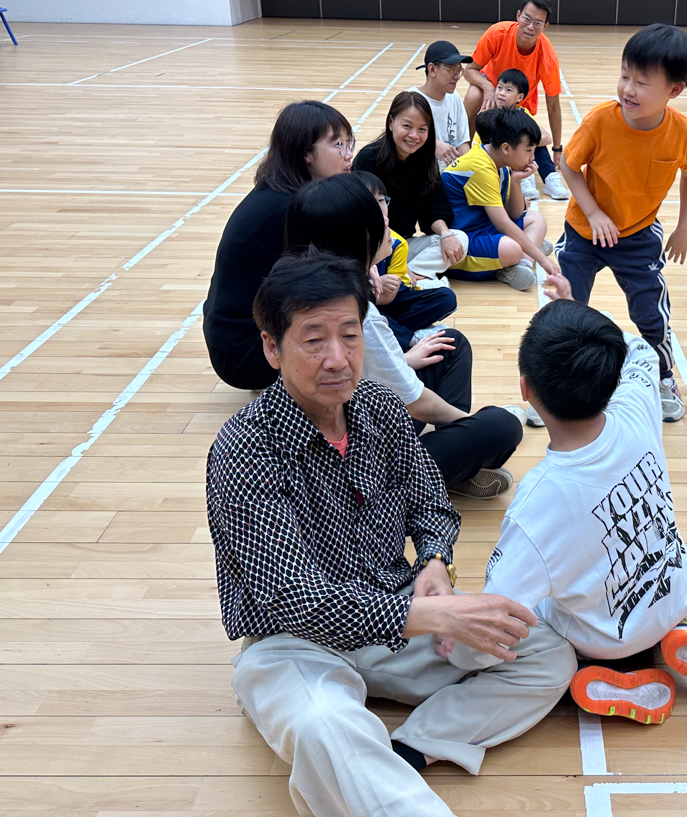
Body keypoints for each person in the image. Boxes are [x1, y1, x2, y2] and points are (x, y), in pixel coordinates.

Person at [208, 248, 575, 817]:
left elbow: (431, 503)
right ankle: (359, 760)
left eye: (350, 335)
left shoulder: (379, 408)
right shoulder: (244, 450)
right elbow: (295, 599)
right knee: (323, 724)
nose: (338, 358)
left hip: (396, 615)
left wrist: (433, 563)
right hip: (292, 642)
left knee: (544, 650)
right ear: (271, 347)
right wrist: (434, 615)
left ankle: (408, 748)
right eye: (314, 340)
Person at [444, 288, 687, 726]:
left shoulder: (539, 503)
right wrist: (583, 314)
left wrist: (457, 650)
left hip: (605, 641)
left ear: (525, 388)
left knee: (542, 633)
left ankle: (600, 675)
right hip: (676, 594)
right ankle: (682, 631)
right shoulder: (636, 403)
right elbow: (640, 349)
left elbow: (498, 616)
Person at [285, 174, 525, 498]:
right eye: (381, 220)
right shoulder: (356, 316)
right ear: (359, 235)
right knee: (502, 426)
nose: (389, 225)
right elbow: (417, 403)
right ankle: (440, 473)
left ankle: (453, 462)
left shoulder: (301, 286)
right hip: (362, 472)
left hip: (349, 430)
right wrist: (470, 425)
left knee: (450, 345)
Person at [557, 23, 687, 423]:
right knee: (566, 306)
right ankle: (555, 383)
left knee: (652, 314)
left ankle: (663, 377)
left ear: (675, 90)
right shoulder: (600, 121)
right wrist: (593, 212)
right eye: (625, 75)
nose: (628, 88)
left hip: (639, 236)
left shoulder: (682, 132)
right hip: (584, 232)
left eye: (642, 82)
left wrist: (684, 228)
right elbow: (568, 166)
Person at [204, 101, 354, 390]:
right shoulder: (287, 208)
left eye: (349, 143)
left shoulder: (285, 193)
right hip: (245, 353)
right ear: (306, 153)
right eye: (338, 145)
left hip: (238, 342)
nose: (348, 154)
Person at [352, 91, 468, 286]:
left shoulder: (425, 161)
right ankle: (412, 280)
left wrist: (445, 234)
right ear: (391, 123)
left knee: (460, 239)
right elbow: (362, 220)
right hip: (375, 247)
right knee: (441, 288)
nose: (414, 135)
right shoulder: (368, 159)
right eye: (407, 126)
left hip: (404, 244)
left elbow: (434, 210)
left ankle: (408, 278)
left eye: (422, 129)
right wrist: (395, 257)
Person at [462, 0, 567, 198]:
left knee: (526, 134)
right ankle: (463, 148)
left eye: (537, 23)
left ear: (545, 26)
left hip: (519, 107)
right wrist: (488, 87)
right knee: (473, 96)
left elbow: (553, 105)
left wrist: (557, 148)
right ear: (518, 15)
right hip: (491, 95)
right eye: (527, 18)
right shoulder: (497, 33)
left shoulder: (546, 54)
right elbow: (469, 70)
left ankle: (546, 177)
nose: (530, 26)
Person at [442, 108, 556, 292]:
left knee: (536, 220)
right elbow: (503, 224)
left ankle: (522, 264)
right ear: (506, 148)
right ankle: (518, 259)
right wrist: (543, 260)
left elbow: (514, 213)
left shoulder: (499, 161)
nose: (532, 158)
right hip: (461, 242)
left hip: (484, 228)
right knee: (512, 249)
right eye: (528, 150)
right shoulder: (481, 167)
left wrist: (516, 181)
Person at [357, 170, 458, 351]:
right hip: (364, 302)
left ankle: (391, 330)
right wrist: (372, 287)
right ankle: (407, 336)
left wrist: (382, 287)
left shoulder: (396, 243)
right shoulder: (349, 242)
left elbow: (390, 296)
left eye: (382, 200)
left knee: (446, 298)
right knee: (364, 311)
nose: (379, 206)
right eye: (371, 201)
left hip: (388, 301)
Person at [484, 68, 570, 202]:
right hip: (497, 160)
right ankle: (522, 177)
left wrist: (525, 141)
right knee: (517, 143)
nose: (501, 93)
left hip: (516, 154)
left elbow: (546, 137)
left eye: (508, 90)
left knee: (533, 141)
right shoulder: (488, 114)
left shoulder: (522, 113)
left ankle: (550, 177)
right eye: (499, 88)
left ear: (520, 97)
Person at [408, 41, 472, 166]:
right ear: (432, 69)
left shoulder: (454, 98)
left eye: (459, 70)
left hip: (450, 173)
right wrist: (432, 145)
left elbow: (462, 144)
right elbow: (399, 142)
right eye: (452, 69)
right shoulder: (410, 99)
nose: (457, 76)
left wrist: (469, 170)